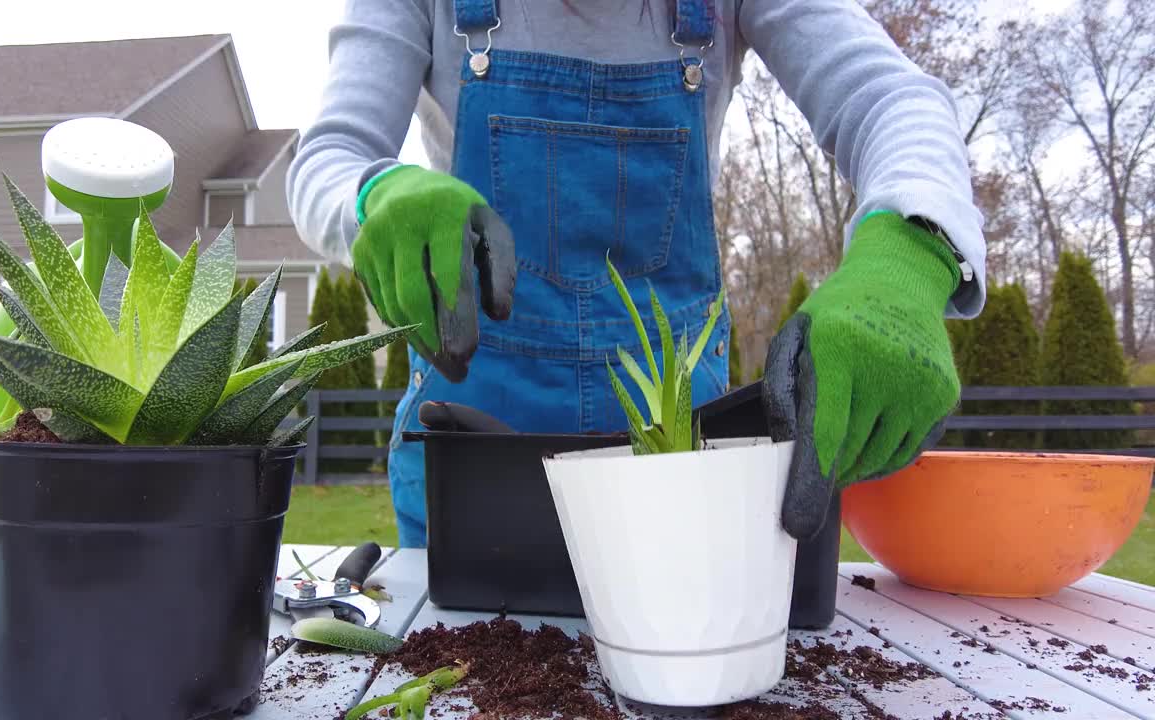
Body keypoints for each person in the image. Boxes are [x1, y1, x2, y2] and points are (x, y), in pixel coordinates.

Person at [286, 0, 986, 549]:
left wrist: (907, 252)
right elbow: (329, 155)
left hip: (681, 464)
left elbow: (893, 101)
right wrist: (379, 193)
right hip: (473, 467)